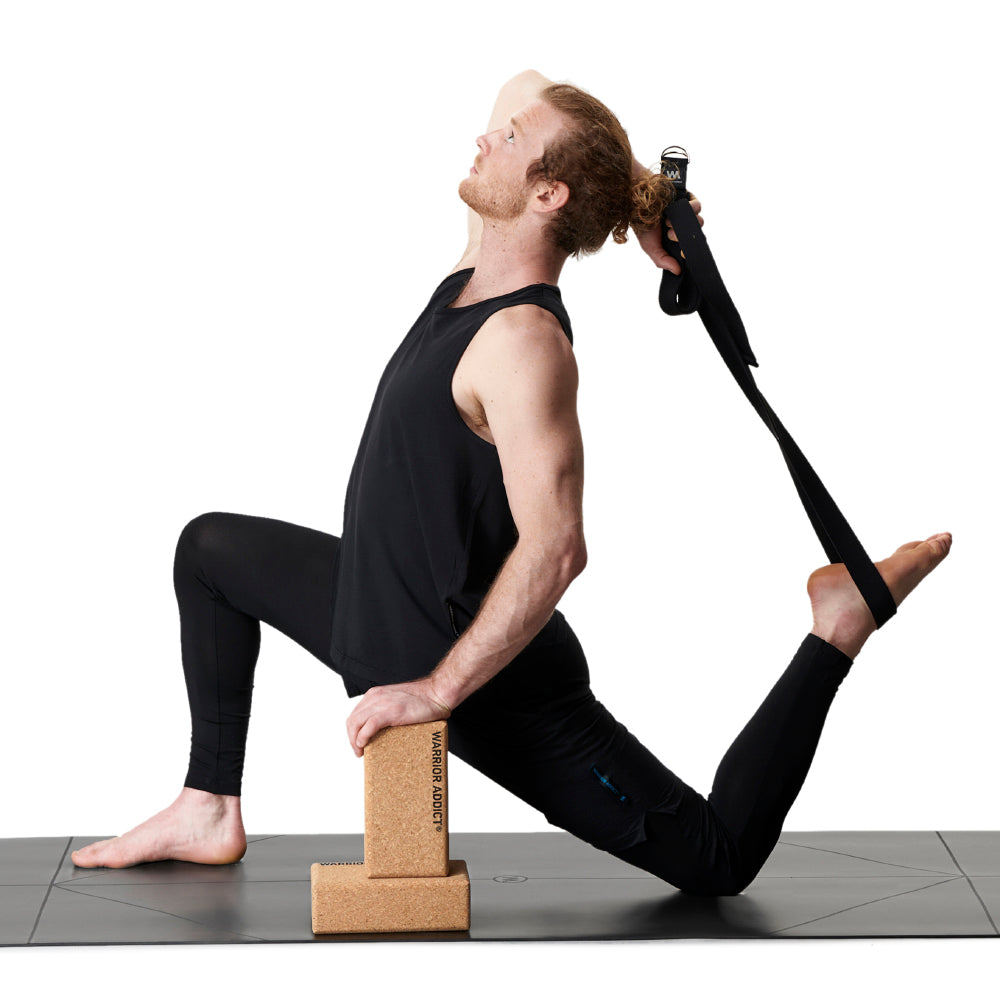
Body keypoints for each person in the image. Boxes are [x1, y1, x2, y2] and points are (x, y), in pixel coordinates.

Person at [72, 71, 951, 895]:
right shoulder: (473, 272)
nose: (485, 135)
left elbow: (559, 547)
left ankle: (838, 627)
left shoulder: (526, 344)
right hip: (381, 606)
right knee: (210, 551)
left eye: (509, 139)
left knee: (717, 858)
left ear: (547, 195)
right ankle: (209, 805)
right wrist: (649, 199)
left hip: (487, 673)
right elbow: (531, 83)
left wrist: (438, 693)